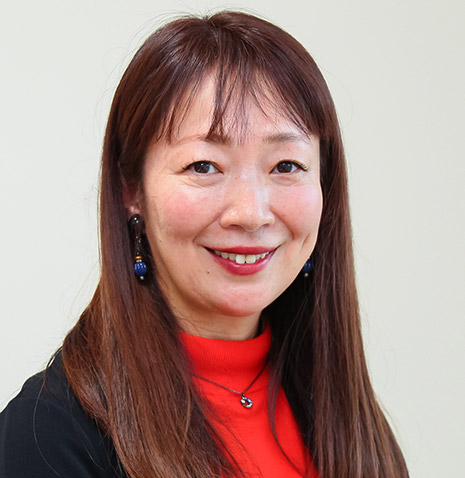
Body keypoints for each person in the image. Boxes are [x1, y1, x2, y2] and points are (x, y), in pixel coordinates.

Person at [0, 10, 409, 478]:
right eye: (203, 166)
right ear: (131, 189)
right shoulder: (49, 437)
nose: (251, 213)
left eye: (286, 166)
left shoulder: (342, 411)